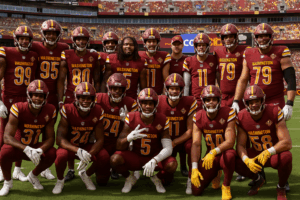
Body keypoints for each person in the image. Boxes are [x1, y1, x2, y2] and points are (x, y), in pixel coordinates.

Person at [110, 88, 177, 193]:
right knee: (114, 159)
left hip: (154, 156)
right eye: (144, 103)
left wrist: (155, 160)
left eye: (151, 103)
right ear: (139, 104)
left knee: (172, 165)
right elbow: (119, 146)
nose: (147, 107)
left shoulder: (162, 119)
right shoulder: (131, 117)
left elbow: (168, 148)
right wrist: (128, 138)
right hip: (136, 156)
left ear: (155, 104)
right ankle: (129, 178)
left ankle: (157, 178)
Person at [0, 80, 56, 196]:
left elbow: (50, 139)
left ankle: (33, 175)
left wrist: (40, 150)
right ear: (29, 95)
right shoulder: (18, 107)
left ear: (45, 97)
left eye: (41, 96)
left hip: (35, 147)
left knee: (52, 153)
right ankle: (8, 182)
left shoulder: (50, 110)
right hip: (20, 148)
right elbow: (7, 137)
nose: (38, 98)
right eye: (35, 95)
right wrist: (26, 149)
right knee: (4, 152)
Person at [235, 85, 292, 200]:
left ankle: (281, 186)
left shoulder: (274, 111)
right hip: (256, 153)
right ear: (246, 103)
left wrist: (268, 152)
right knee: (233, 159)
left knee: (286, 156)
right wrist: (246, 159)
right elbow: (240, 145)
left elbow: (287, 142)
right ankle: (257, 179)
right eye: (250, 102)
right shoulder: (241, 116)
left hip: (272, 154)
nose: (254, 105)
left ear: (263, 100)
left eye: (257, 101)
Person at [52, 82, 110, 194]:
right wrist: (78, 150)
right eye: (82, 97)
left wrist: (90, 154)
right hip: (70, 147)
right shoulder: (68, 109)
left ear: (93, 99)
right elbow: (59, 139)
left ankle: (86, 174)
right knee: (61, 156)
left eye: (89, 98)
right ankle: (60, 180)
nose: (85, 101)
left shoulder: (98, 110)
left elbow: (100, 139)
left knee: (104, 156)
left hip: (86, 145)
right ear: (76, 98)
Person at [30, 19, 69, 180]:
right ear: (43, 34)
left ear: (59, 35)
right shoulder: (35, 47)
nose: (51, 35)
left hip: (52, 94)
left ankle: (44, 166)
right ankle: (20, 166)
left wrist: (60, 99)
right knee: (30, 130)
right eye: (48, 33)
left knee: (48, 130)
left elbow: (61, 78)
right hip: (36, 94)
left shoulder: (64, 48)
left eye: (54, 33)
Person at [232, 23, 296, 120]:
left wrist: (290, 103)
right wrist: (236, 101)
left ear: (271, 37)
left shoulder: (281, 51)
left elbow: (290, 79)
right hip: (254, 100)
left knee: (276, 131)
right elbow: (243, 79)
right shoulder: (249, 53)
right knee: (253, 131)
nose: (263, 39)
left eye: (266, 35)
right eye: (260, 36)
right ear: (256, 38)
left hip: (275, 100)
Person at [0, 26, 38, 181]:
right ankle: (2, 168)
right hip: (9, 98)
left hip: (25, 99)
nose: (24, 41)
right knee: (3, 135)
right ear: (15, 39)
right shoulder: (6, 52)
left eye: (27, 38)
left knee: (22, 136)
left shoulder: (34, 56)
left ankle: (17, 169)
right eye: (21, 38)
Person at [214, 23, 247, 182]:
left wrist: (238, 99)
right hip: (223, 97)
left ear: (236, 37)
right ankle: (221, 165)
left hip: (239, 97)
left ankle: (242, 166)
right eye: (225, 37)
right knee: (223, 132)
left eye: (231, 36)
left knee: (243, 132)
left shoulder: (245, 51)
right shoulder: (218, 52)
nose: (228, 39)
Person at [191, 85, 236, 199]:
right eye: (208, 99)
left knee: (230, 155)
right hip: (210, 158)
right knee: (196, 190)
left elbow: (230, 141)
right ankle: (215, 173)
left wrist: (213, 152)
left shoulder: (228, 112)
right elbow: (196, 143)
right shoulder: (198, 116)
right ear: (203, 101)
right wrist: (194, 167)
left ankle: (226, 185)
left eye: (214, 99)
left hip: (223, 154)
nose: (211, 102)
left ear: (219, 100)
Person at [156, 73, 197, 194]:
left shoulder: (189, 101)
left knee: (193, 145)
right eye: (171, 88)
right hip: (165, 141)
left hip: (183, 140)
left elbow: (190, 131)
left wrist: (174, 142)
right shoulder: (158, 101)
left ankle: (191, 178)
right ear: (166, 89)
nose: (174, 91)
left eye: (177, 88)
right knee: (166, 179)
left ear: (181, 90)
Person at [96, 73, 138, 180]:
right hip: (102, 141)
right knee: (101, 181)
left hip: (119, 142)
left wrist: (127, 120)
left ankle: (123, 171)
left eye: (120, 89)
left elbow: (137, 127)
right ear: (109, 88)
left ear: (124, 90)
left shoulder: (131, 103)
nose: (117, 91)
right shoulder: (99, 98)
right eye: (114, 88)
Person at [57, 26, 101, 108]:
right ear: (74, 40)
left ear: (87, 40)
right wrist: (60, 100)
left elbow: (97, 81)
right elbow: (61, 80)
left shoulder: (94, 56)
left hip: (88, 95)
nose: (81, 42)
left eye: (84, 39)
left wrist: (96, 98)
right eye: (78, 39)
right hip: (71, 94)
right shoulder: (67, 54)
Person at [183, 33, 218, 109]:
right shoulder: (189, 60)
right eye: (199, 45)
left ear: (207, 47)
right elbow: (186, 84)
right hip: (195, 99)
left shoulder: (214, 59)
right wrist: (185, 100)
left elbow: (219, 82)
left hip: (210, 99)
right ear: (195, 47)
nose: (201, 47)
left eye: (203, 45)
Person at [139, 28, 171, 95]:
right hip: (142, 93)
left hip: (158, 93)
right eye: (149, 41)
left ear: (158, 42)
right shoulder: (139, 55)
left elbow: (166, 77)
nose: (152, 44)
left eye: (154, 41)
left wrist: (164, 91)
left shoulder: (164, 55)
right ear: (144, 43)